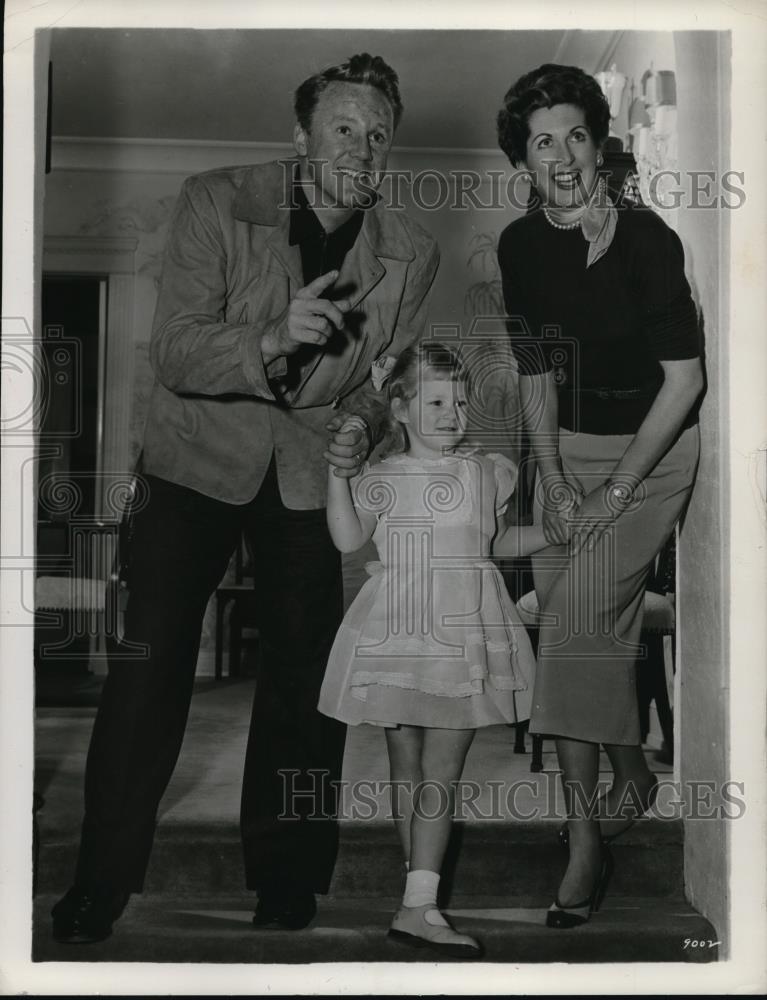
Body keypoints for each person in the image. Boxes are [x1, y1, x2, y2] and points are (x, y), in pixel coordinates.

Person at [51, 53, 440, 943]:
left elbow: (385, 384)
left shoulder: (411, 251)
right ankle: (100, 886)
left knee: (305, 685)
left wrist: (363, 430)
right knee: (147, 675)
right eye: (343, 127)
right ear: (299, 135)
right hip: (190, 463)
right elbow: (179, 351)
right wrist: (270, 336)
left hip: (307, 475)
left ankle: (288, 881)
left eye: (378, 133)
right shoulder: (214, 197)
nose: (362, 146)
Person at [495, 64, 703, 928]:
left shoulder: (649, 241)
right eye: (543, 141)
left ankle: (582, 842)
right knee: (590, 632)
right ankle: (627, 777)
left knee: (571, 630)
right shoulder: (518, 247)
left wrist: (612, 493)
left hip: (649, 458)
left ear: (600, 143)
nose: (563, 155)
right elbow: (537, 373)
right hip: (568, 456)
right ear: (525, 160)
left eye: (575, 134)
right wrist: (548, 479)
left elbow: (683, 382)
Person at [318, 342, 548, 958]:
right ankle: (417, 894)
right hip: (399, 630)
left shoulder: (484, 471)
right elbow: (346, 536)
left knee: (441, 775)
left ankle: (419, 902)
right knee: (406, 769)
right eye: (438, 401)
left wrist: (557, 532)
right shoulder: (381, 477)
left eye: (462, 402)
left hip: (462, 630)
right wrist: (337, 473)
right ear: (399, 407)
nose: (454, 413)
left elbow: (497, 543)